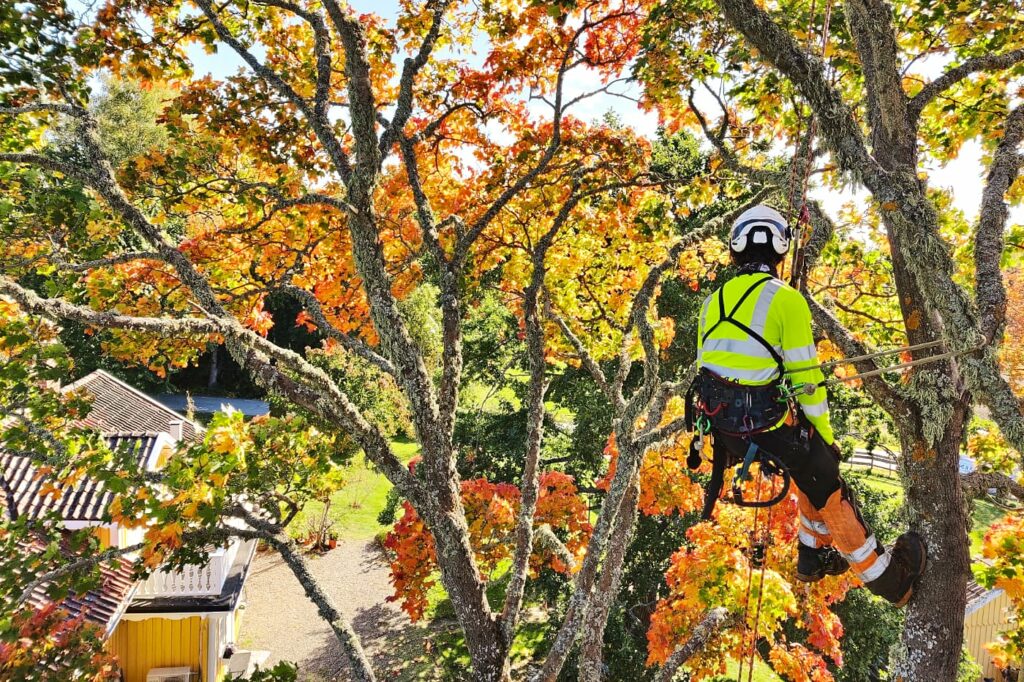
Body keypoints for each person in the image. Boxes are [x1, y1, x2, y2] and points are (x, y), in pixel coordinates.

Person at [692, 204, 926, 607]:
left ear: (734, 251)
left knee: (806, 467)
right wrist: (826, 436)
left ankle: (812, 556)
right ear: (781, 251)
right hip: (766, 429)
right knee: (826, 477)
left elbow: (711, 364)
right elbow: (807, 382)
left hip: (726, 432)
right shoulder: (787, 300)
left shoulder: (713, 300)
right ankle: (891, 581)